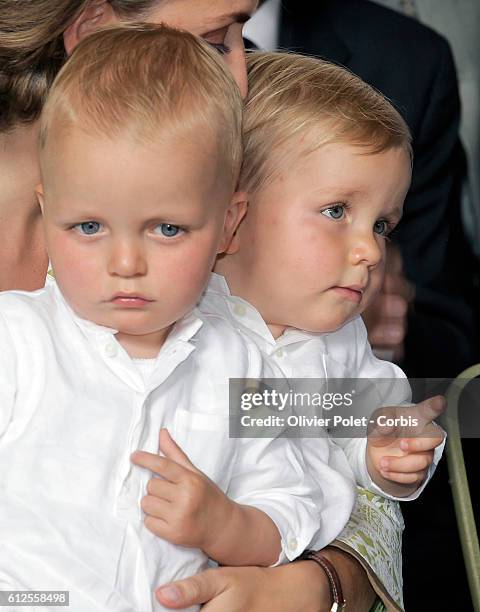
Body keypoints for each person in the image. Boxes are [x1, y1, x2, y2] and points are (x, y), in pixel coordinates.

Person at [0, 1, 412, 610]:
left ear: (227, 225)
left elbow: (333, 479)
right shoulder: (24, 337)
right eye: (215, 42)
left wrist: (312, 583)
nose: (245, 77)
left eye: (168, 229)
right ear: (92, 34)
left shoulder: (233, 310)